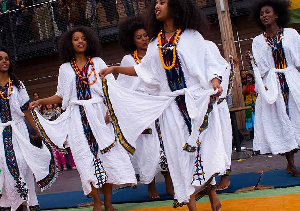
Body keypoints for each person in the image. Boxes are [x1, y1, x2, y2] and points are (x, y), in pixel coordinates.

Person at [100, 0, 229, 210]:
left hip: (195, 101)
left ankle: (213, 193)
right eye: (156, 3)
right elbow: (144, 72)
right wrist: (116, 69)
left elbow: (207, 62)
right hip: (171, 110)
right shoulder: (155, 44)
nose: (157, 6)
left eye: (162, 2)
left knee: (203, 149)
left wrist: (215, 80)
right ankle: (191, 205)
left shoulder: (191, 36)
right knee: (180, 156)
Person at [29, 26, 136, 211]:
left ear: (89, 42)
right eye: (76, 39)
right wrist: (41, 101)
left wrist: (110, 112)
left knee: (106, 157)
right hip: (77, 119)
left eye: (83, 38)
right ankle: (97, 201)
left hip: (99, 114)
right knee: (84, 160)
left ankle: (108, 203)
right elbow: (61, 96)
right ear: (69, 44)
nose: (80, 41)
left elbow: (109, 89)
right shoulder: (65, 69)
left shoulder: (98, 62)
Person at [118, 16, 174, 199]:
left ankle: (170, 183)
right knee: (147, 149)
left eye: (145, 35)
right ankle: (150, 186)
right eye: (138, 37)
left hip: (160, 105)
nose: (143, 39)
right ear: (131, 40)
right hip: (141, 109)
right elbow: (123, 87)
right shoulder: (128, 60)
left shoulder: (156, 54)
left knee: (167, 144)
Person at [246, 0, 300, 177]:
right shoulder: (258, 41)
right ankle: (290, 163)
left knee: (296, 117)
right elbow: (260, 69)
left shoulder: (291, 34)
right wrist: (252, 63)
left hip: (292, 81)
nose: (264, 16)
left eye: (268, 12)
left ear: (277, 14)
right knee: (280, 121)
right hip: (273, 86)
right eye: (261, 14)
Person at [0, 47, 56, 210]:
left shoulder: (17, 84)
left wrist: (37, 130)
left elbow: (26, 110)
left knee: (23, 164)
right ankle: (12, 204)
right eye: (1, 58)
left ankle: (26, 203)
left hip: (19, 132)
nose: (4, 61)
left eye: (6, 58)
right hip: (1, 133)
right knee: (7, 167)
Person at [242, 72, 256, 139]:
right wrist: (247, 85)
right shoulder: (245, 84)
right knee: (250, 117)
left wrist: (253, 92)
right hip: (248, 102)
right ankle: (251, 133)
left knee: (256, 117)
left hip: (255, 101)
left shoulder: (255, 84)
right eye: (247, 78)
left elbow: (258, 91)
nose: (249, 79)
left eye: (249, 77)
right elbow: (243, 93)